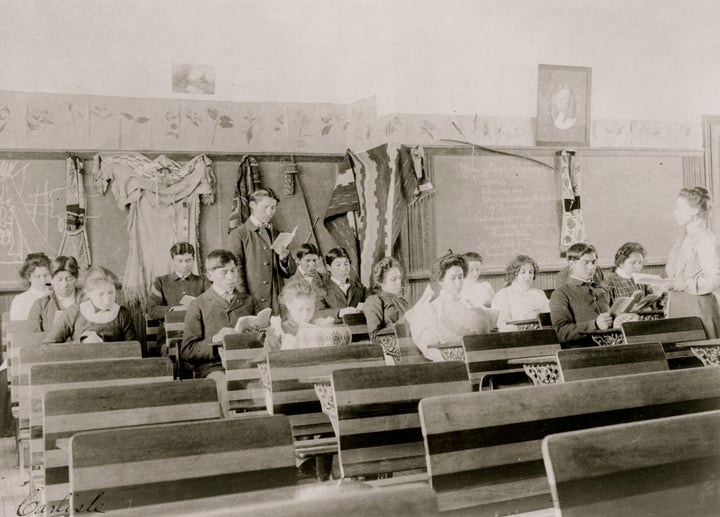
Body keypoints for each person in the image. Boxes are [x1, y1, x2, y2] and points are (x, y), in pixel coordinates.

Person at [181, 249, 258, 417]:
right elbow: (187, 351)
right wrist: (215, 339)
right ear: (210, 276)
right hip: (214, 367)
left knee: (265, 381)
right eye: (224, 272)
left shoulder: (248, 301)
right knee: (226, 385)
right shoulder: (199, 304)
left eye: (233, 270)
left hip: (246, 363)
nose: (231, 277)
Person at [408, 254, 495, 361]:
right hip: (449, 366)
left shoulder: (469, 304)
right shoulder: (431, 309)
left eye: (461, 277)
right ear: (441, 280)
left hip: (477, 358)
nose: (458, 283)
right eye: (452, 278)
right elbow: (429, 349)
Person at [227, 188, 296, 313]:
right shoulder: (239, 234)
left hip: (277, 302)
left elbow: (290, 272)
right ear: (252, 205)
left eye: (273, 207)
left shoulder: (275, 232)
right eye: (266, 207)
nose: (270, 212)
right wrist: (244, 304)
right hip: (254, 302)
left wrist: (284, 259)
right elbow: (236, 273)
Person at [665, 187, 720, 338]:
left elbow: (713, 280)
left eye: (679, 207)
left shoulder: (705, 239)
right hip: (680, 308)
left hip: (698, 310)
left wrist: (678, 284)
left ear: (695, 210)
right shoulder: (683, 239)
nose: (675, 212)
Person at [43, 267, 136, 344]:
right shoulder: (73, 312)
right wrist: (81, 343)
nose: (107, 300)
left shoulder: (122, 314)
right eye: (101, 294)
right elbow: (48, 345)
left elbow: (133, 350)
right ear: (88, 293)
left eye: (111, 292)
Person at [147, 242, 210, 355]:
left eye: (188, 260)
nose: (184, 265)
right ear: (173, 261)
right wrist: (174, 309)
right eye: (179, 261)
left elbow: (211, 307)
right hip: (168, 334)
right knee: (169, 354)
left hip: (199, 333)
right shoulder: (160, 282)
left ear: (194, 259)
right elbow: (152, 310)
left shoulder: (203, 281)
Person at [549, 243, 613, 348]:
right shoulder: (561, 294)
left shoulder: (602, 290)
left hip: (611, 347)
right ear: (572, 264)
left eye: (594, 262)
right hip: (581, 352)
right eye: (586, 262)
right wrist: (595, 325)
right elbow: (561, 333)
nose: (592, 267)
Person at [492, 255, 550, 331]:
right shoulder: (503, 295)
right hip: (516, 338)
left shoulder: (540, 294)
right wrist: (523, 326)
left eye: (530, 272)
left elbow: (548, 320)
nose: (528, 276)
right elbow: (501, 325)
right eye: (523, 272)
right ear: (514, 273)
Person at [28, 256, 83, 333]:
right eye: (59, 279)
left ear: (77, 278)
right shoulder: (40, 305)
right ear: (51, 279)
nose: (64, 284)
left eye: (69, 279)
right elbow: (34, 337)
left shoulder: (87, 300)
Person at [265, 279, 321, 350]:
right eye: (300, 309)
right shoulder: (276, 332)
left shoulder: (318, 330)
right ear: (288, 305)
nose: (305, 314)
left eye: (309, 309)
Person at [317, 247, 367, 323]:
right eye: (338, 265)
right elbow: (317, 313)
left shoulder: (359, 287)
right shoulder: (320, 289)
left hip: (359, 331)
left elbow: (372, 303)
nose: (343, 269)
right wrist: (339, 312)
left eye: (346, 264)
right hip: (334, 332)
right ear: (328, 267)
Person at [362, 257, 409, 338]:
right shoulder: (374, 300)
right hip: (390, 348)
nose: (398, 282)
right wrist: (402, 323)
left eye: (399, 278)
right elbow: (375, 335)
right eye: (393, 279)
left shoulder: (402, 301)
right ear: (381, 282)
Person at [10, 253, 52, 320]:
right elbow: (18, 328)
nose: (43, 280)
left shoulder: (55, 296)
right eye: (38, 276)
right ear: (29, 277)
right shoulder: (20, 300)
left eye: (46, 275)